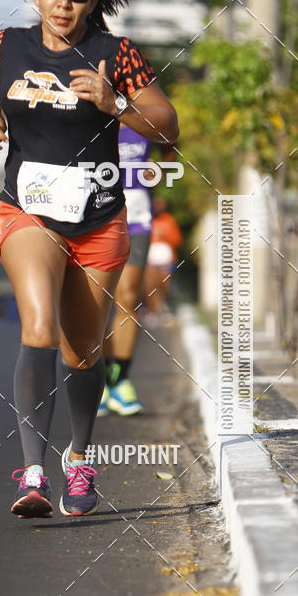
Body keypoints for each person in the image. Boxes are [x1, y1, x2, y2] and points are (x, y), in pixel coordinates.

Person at [0, 0, 178, 518]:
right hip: (27, 210)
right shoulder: (6, 46)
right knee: (37, 328)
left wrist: (115, 102)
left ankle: (79, 461)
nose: (64, 2)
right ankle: (32, 473)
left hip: (100, 218)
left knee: (81, 351)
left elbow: (165, 125)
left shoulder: (117, 52)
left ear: (92, 0)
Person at [99, 132, 178, 416]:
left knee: (128, 297)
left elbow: (171, 146)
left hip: (136, 219)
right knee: (97, 304)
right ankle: (100, 383)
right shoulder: (88, 109)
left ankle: (120, 381)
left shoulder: (140, 116)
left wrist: (158, 168)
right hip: (95, 220)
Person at [144, 197, 183, 317]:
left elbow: (178, 240)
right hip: (150, 259)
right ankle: (153, 309)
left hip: (166, 259)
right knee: (150, 284)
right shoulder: (147, 220)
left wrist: (164, 236)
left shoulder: (170, 221)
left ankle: (166, 306)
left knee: (164, 284)